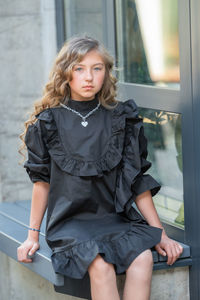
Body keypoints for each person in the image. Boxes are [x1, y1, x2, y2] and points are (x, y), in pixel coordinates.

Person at [17, 35, 183, 300]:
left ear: (106, 72)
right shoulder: (48, 122)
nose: (89, 77)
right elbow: (42, 183)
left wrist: (161, 234)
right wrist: (32, 236)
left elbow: (137, 180)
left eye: (97, 68)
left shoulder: (121, 117)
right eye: (79, 68)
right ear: (65, 73)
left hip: (114, 218)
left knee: (143, 259)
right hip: (71, 223)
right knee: (100, 265)